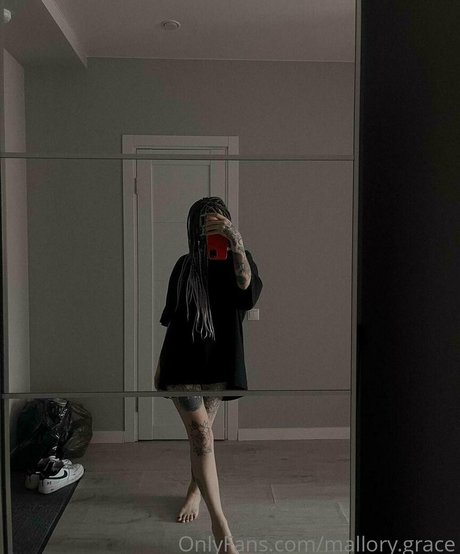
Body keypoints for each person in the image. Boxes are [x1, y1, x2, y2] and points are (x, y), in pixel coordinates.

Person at [154, 197, 263, 554]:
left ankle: (194, 489)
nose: (209, 228)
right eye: (203, 223)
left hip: (218, 364)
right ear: (193, 229)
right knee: (201, 434)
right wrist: (159, 365)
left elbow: (246, 291)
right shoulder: (184, 265)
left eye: (216, 221)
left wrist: (236, 242)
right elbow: (172, 318)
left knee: (202, 439)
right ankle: (220, 524)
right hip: (181, 363)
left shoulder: (239, 262)